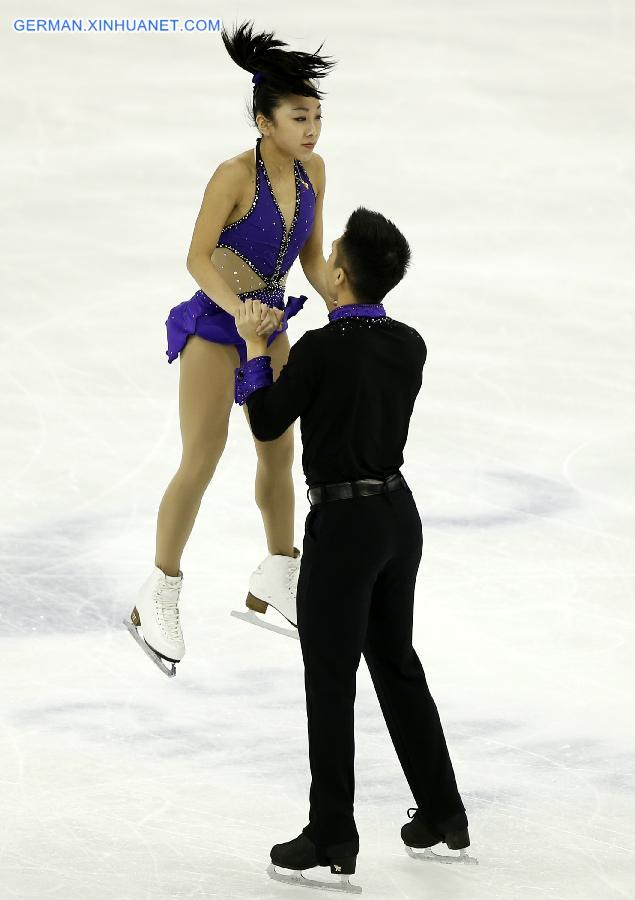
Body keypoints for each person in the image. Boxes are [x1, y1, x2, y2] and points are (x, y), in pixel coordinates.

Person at [233, 207, 475, 892]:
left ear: (337, 276)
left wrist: (257, 346)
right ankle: (442, 813)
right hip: (399, 519)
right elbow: (353, 381)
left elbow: (266, 418)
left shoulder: (319, 350)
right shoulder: (409, 344)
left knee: (330, 682)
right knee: (395, 664)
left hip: (342, 529)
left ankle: (332, 833)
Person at [123, 20, 336, 676]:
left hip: (269, 329)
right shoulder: (232, 176)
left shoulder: (312, 173)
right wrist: (235, 310)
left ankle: (278, 573)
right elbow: (195, 257)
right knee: (203, 456)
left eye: (317, 117)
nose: (311, 129)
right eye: (298, 117)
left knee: (279, 453)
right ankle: (156, 591)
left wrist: (348, 299)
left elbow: (311, 261)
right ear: (263, 120)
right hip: (216, 331)